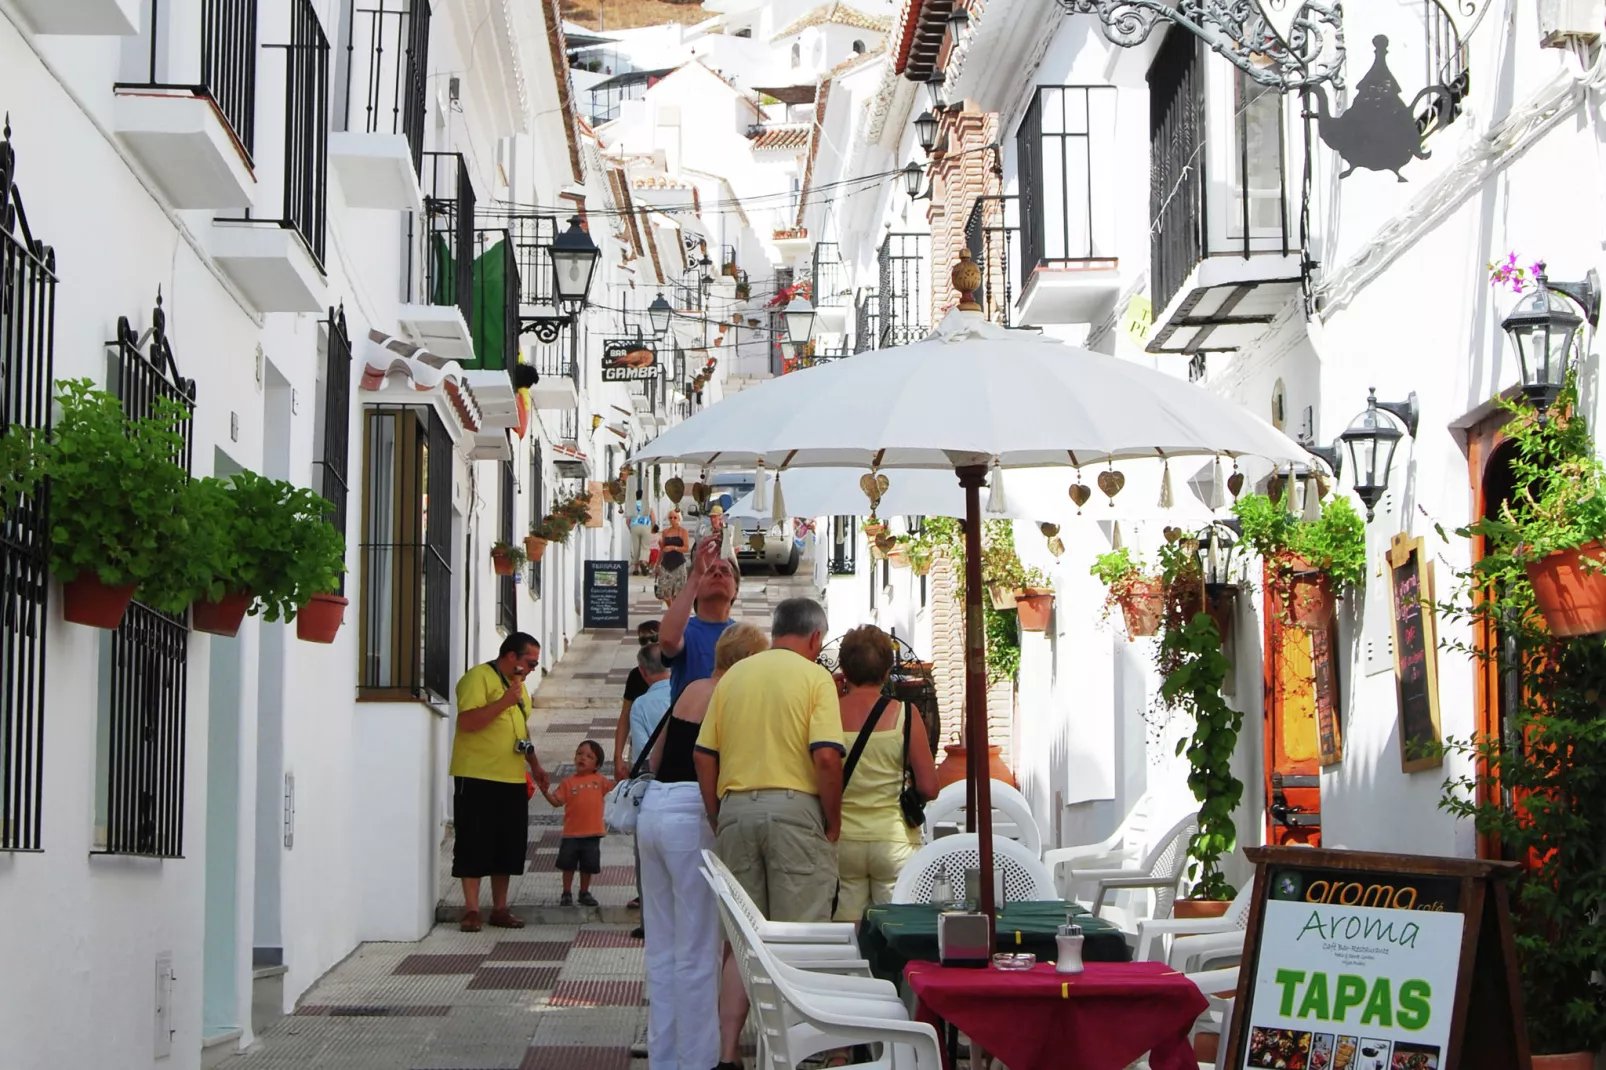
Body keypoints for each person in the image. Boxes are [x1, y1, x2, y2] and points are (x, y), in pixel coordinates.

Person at [695, 598, 844, 1070]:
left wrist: (720, 814)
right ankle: (803, 1054)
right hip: (795, 810)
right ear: (816, 638)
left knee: (743, 940)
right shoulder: (815, 677)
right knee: (798, 936)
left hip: (737, 809)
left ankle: (727, 1054)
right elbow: (825, 757)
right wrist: (833, 819)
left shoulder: (735, 676)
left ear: (776, 630)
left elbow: (704, 754)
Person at [637, 623, 771, 1070]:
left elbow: (656, 758)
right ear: (749, 661)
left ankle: (665, 1059)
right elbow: (710, 759)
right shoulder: (730, 695)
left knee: (663, 948)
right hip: (691, 813)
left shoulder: (692, 687)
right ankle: (697, 1061)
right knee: (698, 951)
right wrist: (716, 816)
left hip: (654, 810)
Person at [833, 625, 940, 923]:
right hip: (894, 841)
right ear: (886, 671)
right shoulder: (905, 714)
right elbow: (930, 787)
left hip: (843, 840)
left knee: (847, 937)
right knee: (896, 930)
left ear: (843, 667)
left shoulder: (827, 712)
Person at [449, 632, 550, 932]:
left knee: (507, 843)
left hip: (512, 775)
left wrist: (535, 764)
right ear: (511, 657)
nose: (532, 668)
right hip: (477, 774)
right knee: (472, 840)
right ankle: (471, 909)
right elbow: (467, 722)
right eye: (530, 662)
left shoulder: (519, 688)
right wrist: (505, 701)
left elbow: (521, 729)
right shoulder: (478, 678)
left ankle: (501, 907)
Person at [660, 535, 738, 704]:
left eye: (725, 572)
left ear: (736, 590)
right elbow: (667, 641)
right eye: (710, 571)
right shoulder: (685, 631)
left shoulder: (743, 635)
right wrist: (696, 574)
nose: (718, 574)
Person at [542, 740, 612, 907]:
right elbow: (556, 801)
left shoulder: (601, 781)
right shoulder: (568, 782)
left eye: (589, 756)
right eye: (579, 754)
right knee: (568, 864)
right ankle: (566, 892)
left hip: (593, 833)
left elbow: (614, 794)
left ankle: (584, 892)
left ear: (597, 765)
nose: (582, 758)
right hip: (571, 833)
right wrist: (544, 790)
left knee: (588, 865)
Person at [612, 620, 662, 782]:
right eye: (642, 640)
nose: (647, 643)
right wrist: (618, 757)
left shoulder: (677, 670)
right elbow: (625, 715)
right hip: (642, 749)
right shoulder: (636, 676)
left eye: (653, 638)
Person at [654, 509, 692, 607]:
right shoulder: (665, 532)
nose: (672, 520)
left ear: (679, 518)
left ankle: (674, 611)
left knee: (678, 592)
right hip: (666, 564)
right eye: (670, 517)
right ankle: (671, 609)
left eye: (675, 517)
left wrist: (674, 548)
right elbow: (662, 549)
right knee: (665, 591)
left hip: (679, 564)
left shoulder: (683, 532)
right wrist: (657, 565)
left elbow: (686, 548)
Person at [630, 500, 655, 575]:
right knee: (645, 547)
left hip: (634, 526)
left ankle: (636, 569)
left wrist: (630, 529)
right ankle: (643, 562)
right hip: (646, 526)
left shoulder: (631, 506)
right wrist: (652, 528)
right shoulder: (648, 506)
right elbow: (653, 519)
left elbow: (627, 520)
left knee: (636, 548)